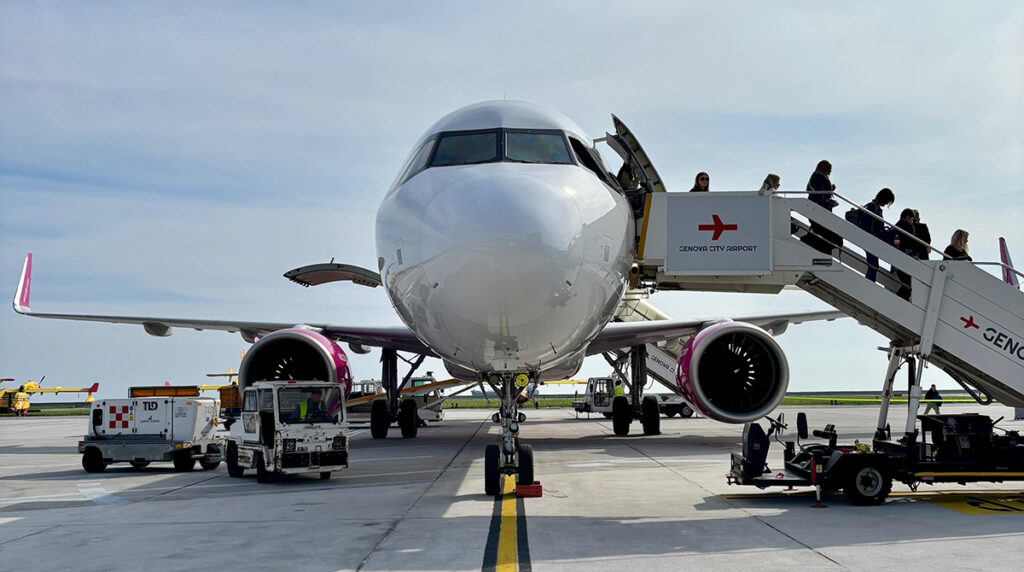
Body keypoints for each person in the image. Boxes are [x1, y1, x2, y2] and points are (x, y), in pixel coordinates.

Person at [804, 160, 842, 254]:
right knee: (824, 233)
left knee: (822, 232)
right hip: (820, 209)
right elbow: (819, 193)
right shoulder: (819, 176)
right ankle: (823, 253)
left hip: (818, 208)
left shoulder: (817, 176)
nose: (830, 171)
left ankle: (822, 252)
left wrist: (830, 189)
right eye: (830, 169)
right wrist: (823, 209)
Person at [860, 188, 895, 282]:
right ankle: (868, 285)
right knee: (873, 265)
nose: (886, 204)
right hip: (871, 240)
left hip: (871, 239)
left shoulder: (873, 207)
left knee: (873, 265)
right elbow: (868, 226)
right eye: (887, 201)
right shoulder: (873, 207)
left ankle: (869, 284)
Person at [892, 208, 918, 300]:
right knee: (909, 285)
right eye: (912, 219)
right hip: (907, 257)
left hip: (897, 258)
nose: (912, 222)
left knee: (906, 284)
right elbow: (913, 242)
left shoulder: (896, 226)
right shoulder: (908, 226)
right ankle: (898, 301)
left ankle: (899, 301)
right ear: (907, 217)